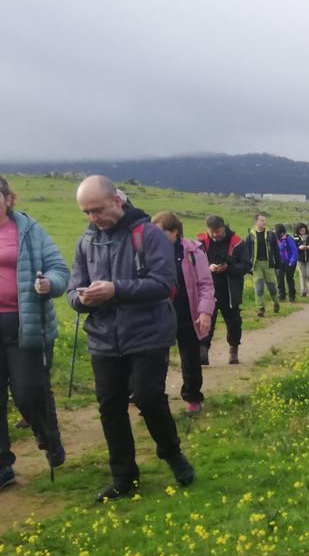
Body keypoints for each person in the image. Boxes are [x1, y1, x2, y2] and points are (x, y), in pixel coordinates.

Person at [69, 176, 194, 501]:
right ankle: (124, 477)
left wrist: (116, 289)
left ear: (117, 201)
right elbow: (73, 289)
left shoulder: (149, 236)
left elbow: (164, 284)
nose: (93, 217)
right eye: (86, 212)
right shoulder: (86, 242)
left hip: (148, 332)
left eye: (97, 209)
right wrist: (81, 300)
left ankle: (171, 453)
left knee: (148, 397)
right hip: (103, 337)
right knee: (110, 405)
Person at [0, 176, 68, 489]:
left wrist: (49, 284)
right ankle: (3, 465)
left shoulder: (29, 229)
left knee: (29, 392)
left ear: (8, 199)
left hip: (24, 323)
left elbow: (58, 268)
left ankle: (48, 438)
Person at [151, 212, 214, 414]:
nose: (155, 236)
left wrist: (205, 312)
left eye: (160, 232)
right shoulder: (149, 252)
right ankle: (154, 398)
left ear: (174, 231)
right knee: (156, 358)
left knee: (190, 357)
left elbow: (205, 284)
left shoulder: (193, 252)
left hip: (187, 311)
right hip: (159, 313)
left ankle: (193, 397)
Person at [197, 215, 251, 365]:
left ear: (224, 227)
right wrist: (208, 267)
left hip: (230, 290)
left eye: (218, 231)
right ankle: (203, 351)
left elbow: (246, 265)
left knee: (233, 322)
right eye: (212, 232)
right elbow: (193, 263)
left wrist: (229, 268)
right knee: (206, 321)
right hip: (208, 291)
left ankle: (233, 349)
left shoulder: (237, 243)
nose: (215, 235)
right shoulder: (201, 242)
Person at [245, 213, 280, 317]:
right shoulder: (250, 236)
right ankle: (261, 308)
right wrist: (247, 266)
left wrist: (278, 263)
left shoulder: (270, 234)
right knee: (259, 288)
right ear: (256, 222)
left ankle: (276, 302)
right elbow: (246, 252)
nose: (264, 222)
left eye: (264, 220)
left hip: (268, 263)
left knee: (272, 287)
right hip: (256, 265)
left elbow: (276, 250)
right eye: (262, 220)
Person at [274, 223, 298, 303]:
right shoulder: (275, 239)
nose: (274, 232)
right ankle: (282, 296)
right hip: (280, 262)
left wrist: (292, 262)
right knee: (280, 279)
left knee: (289, 279)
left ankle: (292, 296)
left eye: (275, 230)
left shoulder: (288, 238)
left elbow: (294, 251)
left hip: (290, 262)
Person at [294, 223, 309, 296]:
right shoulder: (295, 237)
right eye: (300, 230)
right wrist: (299, 247)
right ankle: (303, 291)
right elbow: (294, 246)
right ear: (298, 231)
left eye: (303, 229)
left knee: (308, 274)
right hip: (300, 259)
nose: (302, 231)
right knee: (302, 275)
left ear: (306, 229)